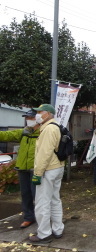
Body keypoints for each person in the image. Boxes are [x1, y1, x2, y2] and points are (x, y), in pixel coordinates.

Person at [29, 104, 64, 243]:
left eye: (40, 112)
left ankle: (44, 233)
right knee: (55, 199)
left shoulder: (48, 129)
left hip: (47, 170)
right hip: (57, 167)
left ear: (48, 114)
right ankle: (57, 229)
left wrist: (38, 173)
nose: (37, 115)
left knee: (42, 202)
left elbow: (44, 153)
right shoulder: (55, 126)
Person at [0, 109, 39, 228]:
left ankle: (42, 218)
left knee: (37, 195)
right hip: (22, 167)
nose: (28, 120)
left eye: (31, 118)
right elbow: (7, 135)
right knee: (25, 194)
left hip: (36, 169)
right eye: (27, 118)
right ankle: (28, 217)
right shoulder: (24, 132)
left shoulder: (44, 133)